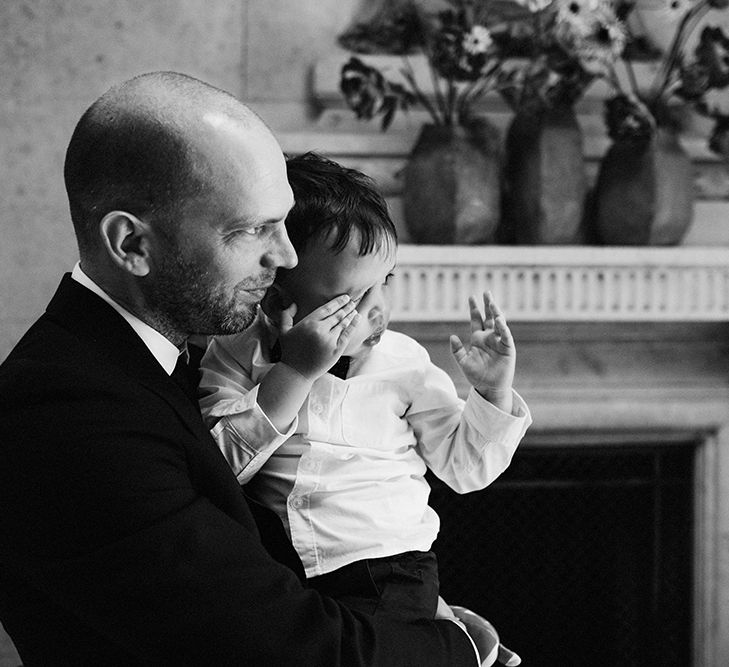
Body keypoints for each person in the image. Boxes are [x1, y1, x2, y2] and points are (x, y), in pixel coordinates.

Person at [0, 72, 485, 666]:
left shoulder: (160, 362)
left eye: (282, 223)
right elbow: (282, 649)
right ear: (132, 245)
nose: (284, 257)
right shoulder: (67, 412)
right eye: (252, 229)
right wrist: (457, 647)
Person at [198, 153, 532, 655]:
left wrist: (491, 393)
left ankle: (459, 644)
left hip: (386, 565)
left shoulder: (405, 364)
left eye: (386, 282)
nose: (379, 309)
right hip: (280, 564)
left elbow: (467, 469)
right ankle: (457, 637)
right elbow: (216, 466)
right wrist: (294, 373)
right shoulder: (234, 353)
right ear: (274, 297)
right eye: (354, 296)